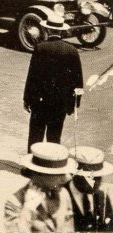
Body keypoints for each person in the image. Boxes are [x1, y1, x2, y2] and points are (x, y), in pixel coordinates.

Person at [23, 15, 84, 151]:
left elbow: (32, 77)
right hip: (60, 102)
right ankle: (51, 166)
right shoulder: (72, 50)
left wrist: (27, 99)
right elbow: (78, 80)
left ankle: (31, 167)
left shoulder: (40, 48)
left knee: (35, 135)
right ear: (61, 31)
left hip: (40, 101)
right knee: (54, 136)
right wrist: (74, 104)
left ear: (47, 30)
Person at [3, 142, 76, 233]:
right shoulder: (15, 203)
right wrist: (28, 209)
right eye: (59, 174)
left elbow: (69, 228)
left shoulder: (63, 193)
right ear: (39, 174)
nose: (66, 178)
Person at [67, 146, 113, 231]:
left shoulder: (102, 197)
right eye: (89, 178)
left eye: (98, 177)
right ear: (74, 175)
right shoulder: (61, 195)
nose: (95, 183)